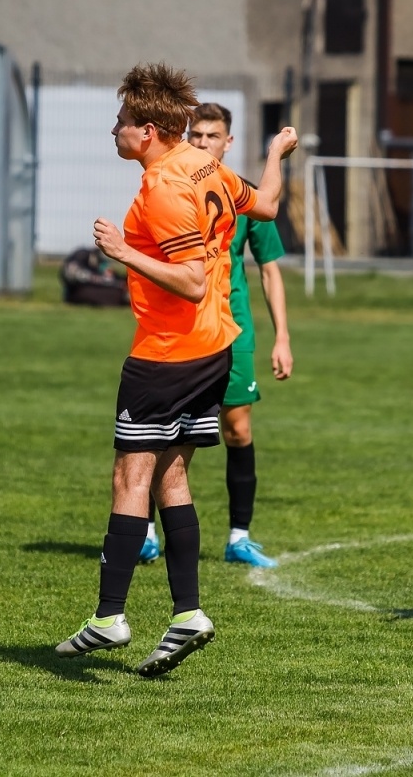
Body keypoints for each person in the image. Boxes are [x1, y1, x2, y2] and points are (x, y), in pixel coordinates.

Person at [55, 63, 298, 677]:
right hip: (213, 350)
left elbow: (190, 282)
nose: (114, 132)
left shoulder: (165, 187)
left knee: (128, 480)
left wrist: (123, 251)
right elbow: (266, 204)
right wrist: (276, 153)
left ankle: (110, 616)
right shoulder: (206, 164)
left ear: (149, 131)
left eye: (120, 123)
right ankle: (188, 613)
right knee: (171, 481)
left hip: (166, 354)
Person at [138, 103, 292, 569]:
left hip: (233, 326)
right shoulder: (172, 186)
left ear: (228, 141)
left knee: (238, 428)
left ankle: (239, 537)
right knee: (163, 433)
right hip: (180, 328)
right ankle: (145, 530)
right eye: (196, 134)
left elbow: (269, 271)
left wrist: (282, 336)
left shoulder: (238, 192)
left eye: (212, 135)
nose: (203, 142)